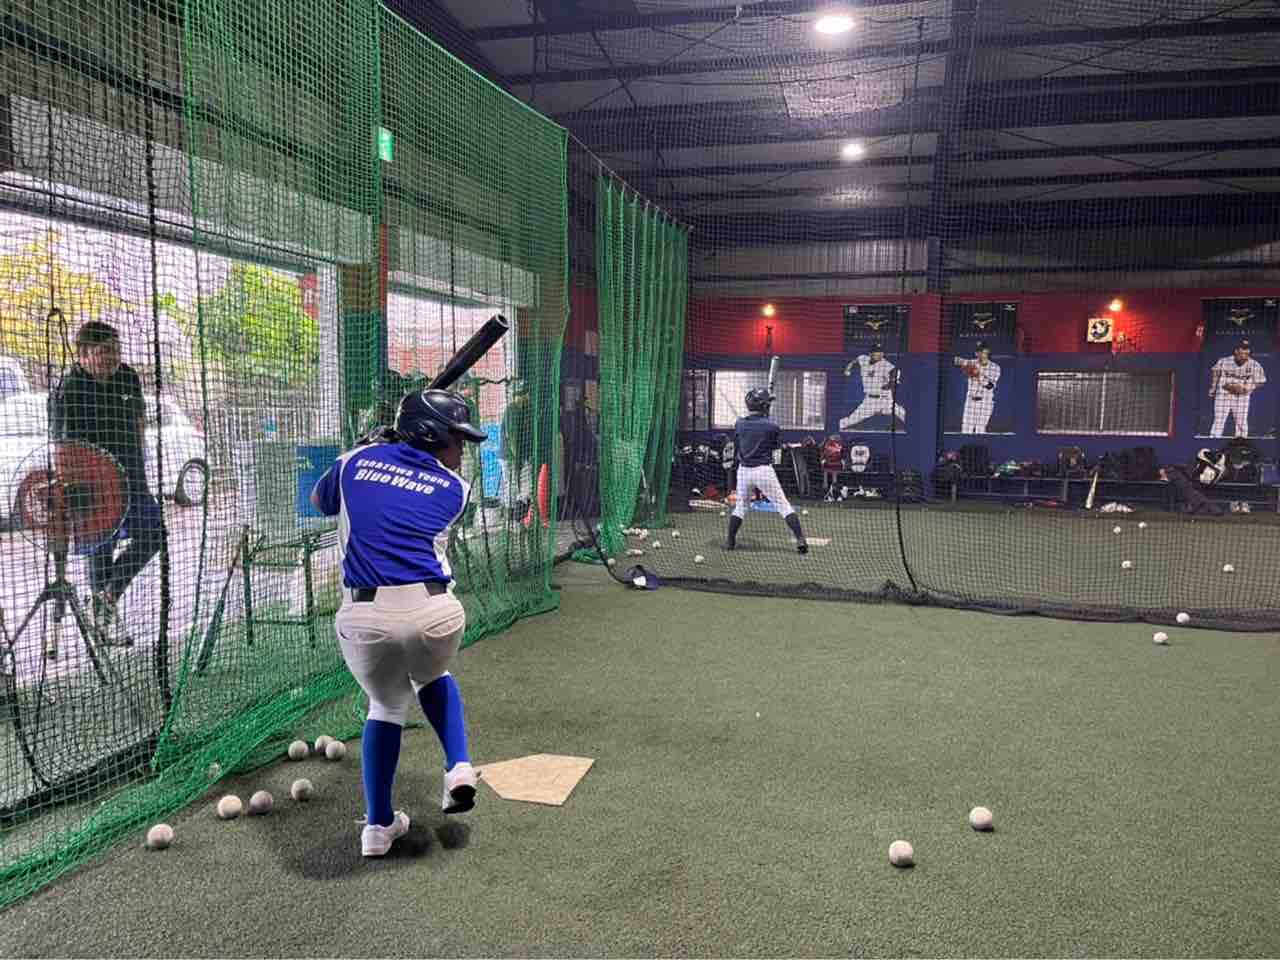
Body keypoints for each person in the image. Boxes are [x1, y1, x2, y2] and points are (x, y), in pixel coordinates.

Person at [310, 388, 485, 858]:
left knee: (386, 706)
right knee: (432, 674)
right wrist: (379, 451)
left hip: (365, 620)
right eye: (455, 439)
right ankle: (458, 765)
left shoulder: (352, 463)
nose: (461, 450)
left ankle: (377, 826)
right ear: (428, 434)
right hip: (436, 615)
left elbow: (319, 500)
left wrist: (360, 449)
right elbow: (406, 487)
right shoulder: (456, 489)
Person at [49, 320, 165, 646]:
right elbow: (63, 448)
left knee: (154, 534)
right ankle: (104, 622)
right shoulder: (68, 389)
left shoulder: (127, 376)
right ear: (83, 354)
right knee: (102, 548)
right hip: (93, 486)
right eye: (104, 351)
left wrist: (139, 461)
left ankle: (107, 597)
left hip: (131, 477)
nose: (113, 357)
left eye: (116, 350)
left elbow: (139, 421)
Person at [726, 387, 807, 553]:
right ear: (764, 406)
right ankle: (800, 540)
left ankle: (730, 542)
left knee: (741, 507)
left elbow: (742, 441)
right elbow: (775, 446)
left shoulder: (739, 423)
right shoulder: (772, 426)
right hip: (763, 471)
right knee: (783, 505)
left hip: (744, 471)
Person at [839, 343, 905, 430]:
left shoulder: (885, 364)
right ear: (870, 354)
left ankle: (915, 427)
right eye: (877, 352)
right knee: (852, 419)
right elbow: (855, 361)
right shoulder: (863, 359)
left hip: (885, 400)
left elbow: (895, 371)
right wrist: (848, 368)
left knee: (902, 413)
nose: (880, 354)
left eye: (881, 352)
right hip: (869, 401)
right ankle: (835, 427)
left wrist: (891, 383)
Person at [1209, 339, 1266, 438]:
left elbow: (1261, 381)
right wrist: (1213, 387)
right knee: (1219, 420)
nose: (1245, 355)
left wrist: (1248, 388)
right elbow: (1216, 373)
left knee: (1241, 421)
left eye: (1247, 352)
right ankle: (1214, 439)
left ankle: (1241, 441)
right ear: (1236, 351)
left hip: (1241, 396)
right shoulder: (1224, 361)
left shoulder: (1254, 364)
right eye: (1242, 351)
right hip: (1224, 394)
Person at [954, 341, 1002, 434]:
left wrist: (977, 374)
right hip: (970, 402)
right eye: (978, 351)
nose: (981, 353)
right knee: (966, 430)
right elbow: (955, 360)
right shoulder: (972, 362)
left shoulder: (995, 367)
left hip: (985, 402)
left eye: (983, 350)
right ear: (976, 353)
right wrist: (962, 362)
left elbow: (990, 386)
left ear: (988, 351)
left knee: (980, 431)